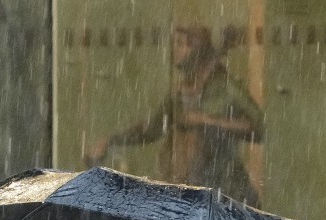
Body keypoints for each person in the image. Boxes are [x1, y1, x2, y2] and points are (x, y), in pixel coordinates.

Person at [87, 25, 264, 208]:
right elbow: (152, 128)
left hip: (229, 190)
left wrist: (208, 120)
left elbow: (260, 128)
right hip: (193, 191)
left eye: (180, 43)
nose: (174, 49)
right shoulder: (180, 92)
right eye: (173, 43)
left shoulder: (226, 87)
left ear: (196, 48)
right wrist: (110, 140)